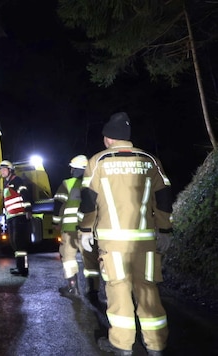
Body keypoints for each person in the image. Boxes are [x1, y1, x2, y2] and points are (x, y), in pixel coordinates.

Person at [78, 112, 173, 356]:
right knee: (148, 291)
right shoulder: (151, 160)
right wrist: (164, 229)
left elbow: (89, 201)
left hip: (114, 243)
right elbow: (163, 197)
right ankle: (156, 345)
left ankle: (122, 345)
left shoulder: (98, 162)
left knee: (118, 291)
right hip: (145, 242)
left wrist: (85, 230)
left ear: (108, 138)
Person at [53, 154, 100, 299]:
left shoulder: (67, 183)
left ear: (74, 169)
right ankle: (93, 290)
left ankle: (73, 288)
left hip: (70, 229)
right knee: (90, 259)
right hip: (89, 228)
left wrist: (56, 222)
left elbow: (58, 204)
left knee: (68, 258)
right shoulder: (94, 184)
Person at [0, 160, 32, 276]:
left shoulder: (17, 181)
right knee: (14, 243)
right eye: (1, 170)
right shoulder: (7, 184)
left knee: (20, 243)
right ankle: (19, 267)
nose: (1, 172)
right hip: (11, 217)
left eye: (3, 169)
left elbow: (25, 195)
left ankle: (23, 269)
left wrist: (28, 210)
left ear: (10, 170)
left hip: (19, 216)